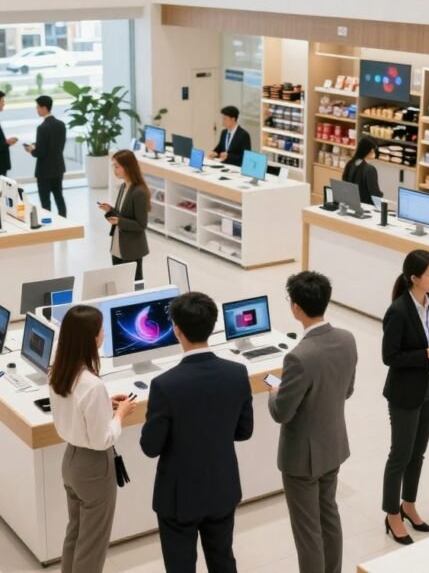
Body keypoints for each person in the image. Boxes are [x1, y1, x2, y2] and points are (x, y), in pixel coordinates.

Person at [141, 292, 253, 573]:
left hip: (179, 497)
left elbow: (150, 446)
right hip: (221, 487)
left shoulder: (165, 385)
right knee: (223, 561)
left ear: (177, 331)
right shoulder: (237, 373)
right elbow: (244, 431)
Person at [269, 271, 357, 573]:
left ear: (295, 308)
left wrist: (273, 390)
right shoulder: (347, 340)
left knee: (307, 532)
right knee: (329, 516)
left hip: (301, 458)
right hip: (333, 445)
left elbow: (281, 412)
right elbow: (347, 390)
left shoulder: (298, 357)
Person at [49, 305, 137, 573]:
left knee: (75, 533)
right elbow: (103, 439)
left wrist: (105, 405)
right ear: (91, 338)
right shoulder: (93, 385)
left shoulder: (58, 372)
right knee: (93, 543)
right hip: (95, 467)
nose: (104, 335)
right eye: (101, 330)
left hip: (71, 461)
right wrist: (120, 414)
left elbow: (75, 411)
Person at [381, 249, 429, 545]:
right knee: (400, 454)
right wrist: (428, 353)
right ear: (415, 278)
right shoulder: (397, 311)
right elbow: (390, 356)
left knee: (418, 452)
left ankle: (408, 504)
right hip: (405, 391)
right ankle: (391, 513)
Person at [98, 149, 150, 282]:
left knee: (134, 285)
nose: (114, 170)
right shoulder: (123, 187)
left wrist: (119, 221)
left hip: (131, 248)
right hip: (117, 245)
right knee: (119, 282)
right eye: (114, 166)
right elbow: (121, 214)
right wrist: (110, 210)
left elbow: (141, 224)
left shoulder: (139, 192)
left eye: (117, 166)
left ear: (127, 167)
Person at [24, 95, 68, 218]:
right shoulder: (61, 124)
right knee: (59, 196)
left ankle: (49, 223)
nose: (37, 109)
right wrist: (38, 146)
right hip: (58, 167)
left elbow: (40, 153)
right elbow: (57, 145)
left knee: (45, 200)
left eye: (37, 107)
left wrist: (31, 150)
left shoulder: (42, 128)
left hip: (44, 170)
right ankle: (64, 220)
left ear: (44, 108)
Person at [341, 136, 383, 205]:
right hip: (366, 207)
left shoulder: (350, 164)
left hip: (350, 204)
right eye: (372, 150)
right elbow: (375, 194)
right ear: (370, 151)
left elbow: (344, 184)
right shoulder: (370, 169)